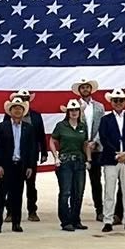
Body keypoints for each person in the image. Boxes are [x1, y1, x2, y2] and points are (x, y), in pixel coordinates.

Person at [96, 90, 125, 232]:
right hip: (111, 159)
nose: (118, 103)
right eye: (115, 100)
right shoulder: (105, 119)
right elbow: (103, 138)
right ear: (111, 102)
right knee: (109, 191)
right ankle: (108, 220)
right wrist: (116, 154)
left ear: (124, 102)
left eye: (121, 100)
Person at [0, 96, 35, 232]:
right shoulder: (2, 127)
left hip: (20, 165)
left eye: (20, 108)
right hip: (6, 165)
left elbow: (32, 149)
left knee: (17, 195)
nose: (17, 110)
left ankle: (16, 222)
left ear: (23, 111)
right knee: (1, 195)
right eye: (14, 108)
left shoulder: (29, 128)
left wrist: (30, 166)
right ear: (10, 111)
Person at [52, 98, 91, 231]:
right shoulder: (61, 126)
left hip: (79, 161)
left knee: (78, 192)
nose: (74, 112)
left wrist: (88, 160)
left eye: (76, 110)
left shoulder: (82, 126)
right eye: (71, 110)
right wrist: (55, 156)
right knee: (65, 192)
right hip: (66, 162)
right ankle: (65, 221)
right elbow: (52, 140)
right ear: (67, 112)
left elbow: (85, 144)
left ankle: (75, 219)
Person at [15, 89, 46, 221]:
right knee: (13, 184)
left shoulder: (36, 116)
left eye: (26, 98)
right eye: (21, 98)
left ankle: (32, 211)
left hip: (31, 155)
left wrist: (44, 152)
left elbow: (41, 135)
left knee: (31, 185)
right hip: (15, 155)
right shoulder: (10, 115)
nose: (24, 100)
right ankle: (11, 211)